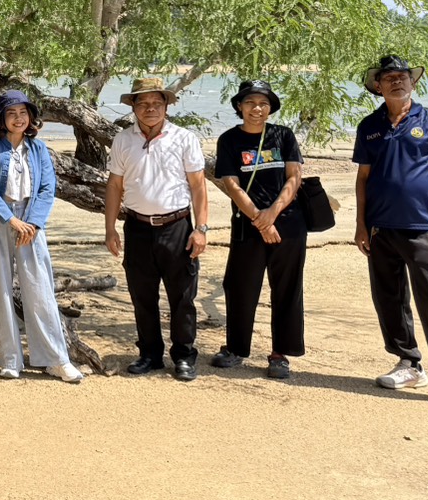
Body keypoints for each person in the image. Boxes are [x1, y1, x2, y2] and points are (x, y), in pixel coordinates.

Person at [354, 55, 428, 409]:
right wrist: (362, 224)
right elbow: (363, 179)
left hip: (422, 227)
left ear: (413, 81)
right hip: (380, 229)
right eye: (389, 77)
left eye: (403, 76)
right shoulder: (369, 126)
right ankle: (409, 363)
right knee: (389, 299)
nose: (397, 81)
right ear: (378, 86)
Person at [0, 90, 83, 384]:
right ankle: (9, 359)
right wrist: (10, 219)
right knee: (1, 290)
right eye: (11, 113)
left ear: (31, 117)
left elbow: (48, 188)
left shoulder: (39, 149)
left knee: (40, 289)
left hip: (31, 223)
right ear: (1, 119)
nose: (18, 118)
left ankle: (55, 360)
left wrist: (32, 223)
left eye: (23, 113)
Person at [103, 76, 209, 382]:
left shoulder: (184, 138)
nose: (150, 109)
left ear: (166, 106)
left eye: (156, 103)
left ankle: (184, 355)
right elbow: (114, 186)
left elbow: (198, 187)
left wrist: (200, 228)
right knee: (142, 295)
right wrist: (110, 228)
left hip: (177, 226)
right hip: (137, 227)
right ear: (133, 107)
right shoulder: (123, 140)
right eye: (143, 103)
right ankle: (149, 353)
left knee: (182, 296)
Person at [210, 80, 306, 380]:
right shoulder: (228, 140)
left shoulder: (283, 135)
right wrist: (259, 220)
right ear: (240, 106)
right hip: (247, 226)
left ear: (270, 108)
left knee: (287, 289)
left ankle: (281, 354)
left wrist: (272, 214)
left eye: (263, 103)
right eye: (250, 102)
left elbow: (294, 177)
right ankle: (236, 348)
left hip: (287, 224)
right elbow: (232, 185)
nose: (257, 109)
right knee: (239, 287)